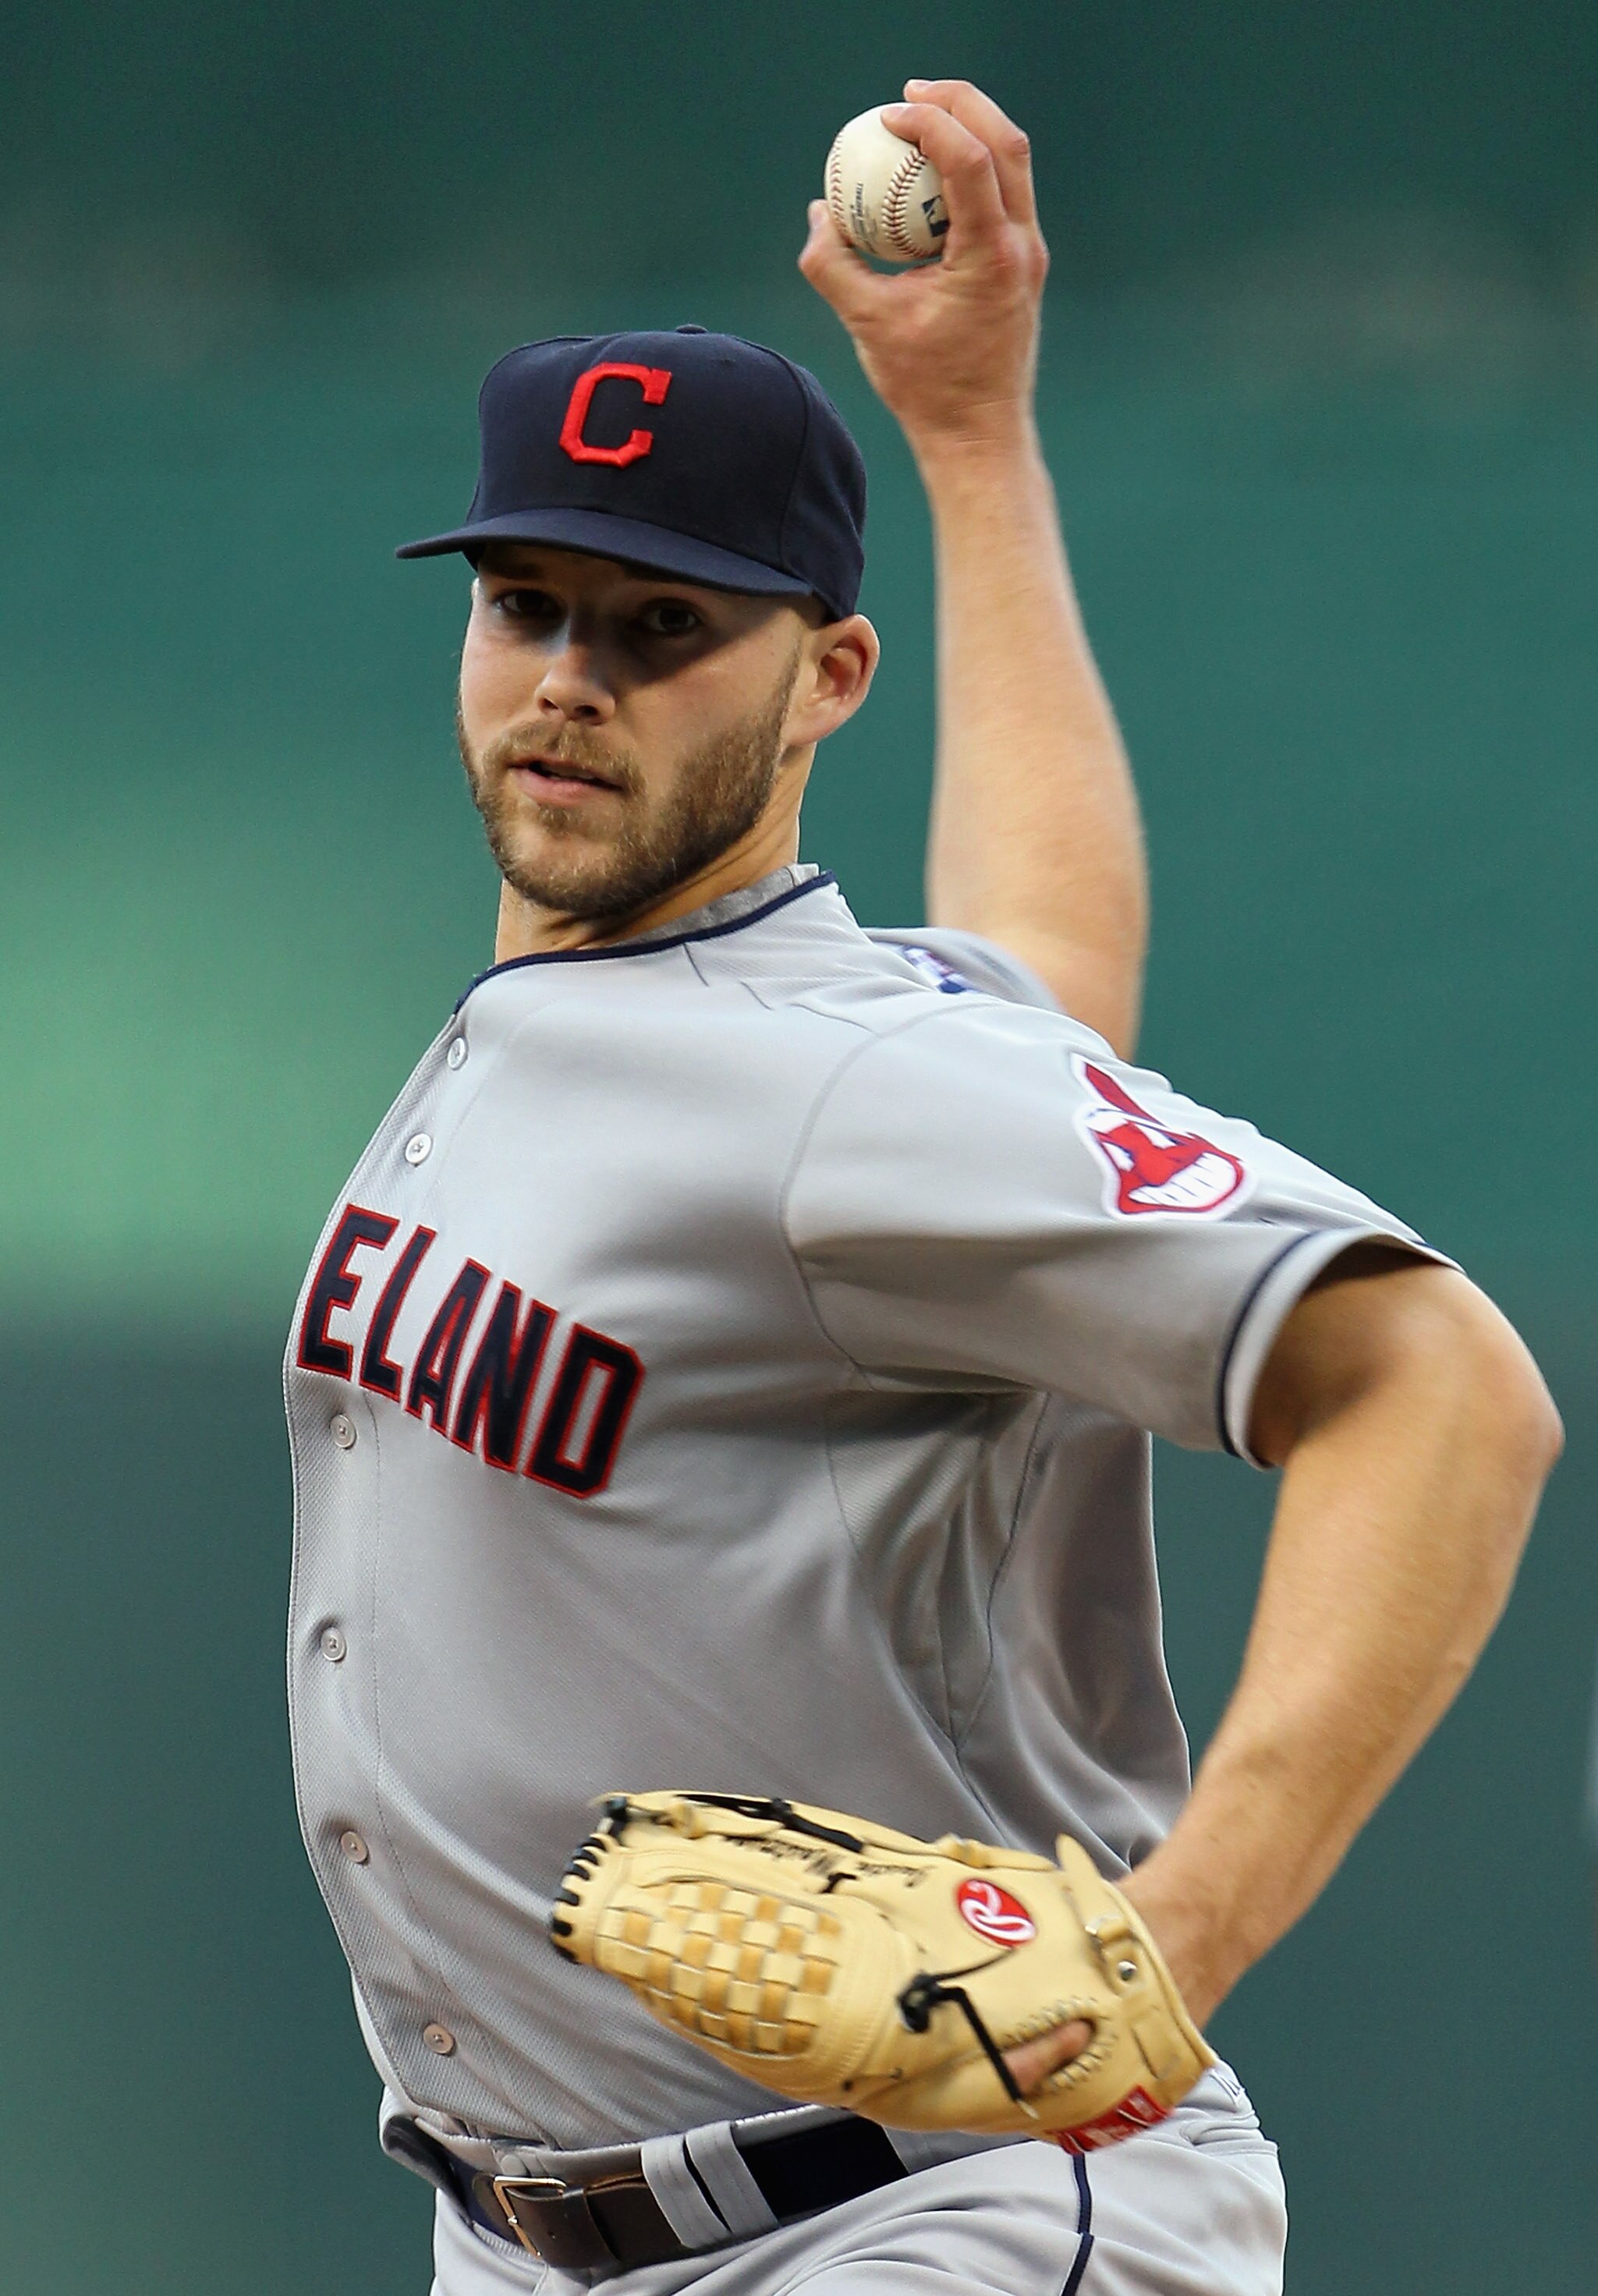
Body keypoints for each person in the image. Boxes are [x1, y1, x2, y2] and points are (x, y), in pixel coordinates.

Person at [284, 82, 1560, 2296]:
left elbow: (1444, 1387)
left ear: (823, 680)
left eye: (661, 629)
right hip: (525, 2234)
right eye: (525, 604)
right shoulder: (649, 1024)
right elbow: (1049, 981)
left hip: (903, 2226)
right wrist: (966, 441)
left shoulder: (836, 1084)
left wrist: (1173, 1946)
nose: (571, 681)